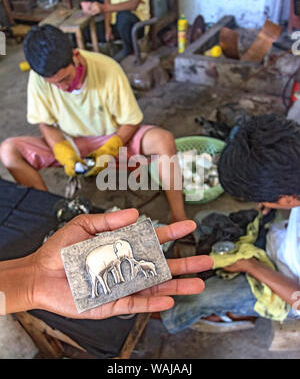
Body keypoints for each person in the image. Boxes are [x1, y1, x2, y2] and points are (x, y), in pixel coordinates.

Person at [0, 24, 187, 224]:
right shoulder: (38, 78)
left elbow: (131, 122)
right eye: (54, 84)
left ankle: (178, 216)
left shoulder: (108, 68)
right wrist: (62, 149)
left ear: (76, 56)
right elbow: (45, 124)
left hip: (115, 141)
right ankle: (52, 216)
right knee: (8, 150)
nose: (62, 88)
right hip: (73, 144)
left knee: (164, 140)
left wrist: (110, 147)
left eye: (65, 79)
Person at [160, 114, 300, 333]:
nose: (260, 202)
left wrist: (251, 265)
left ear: (288, 198)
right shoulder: (293, 174)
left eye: (261, 198)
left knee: (196, 297)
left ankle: (202, 315)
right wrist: (273, 205)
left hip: (287, 286)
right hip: (280, 239)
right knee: (203, 220)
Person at [0, 208, 213, 319]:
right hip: (101, 261)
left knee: (118, 273)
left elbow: (122, 264)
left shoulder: (119, 252)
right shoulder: (109, 254)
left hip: (110, 259)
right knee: (106, 276)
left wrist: (36, 276)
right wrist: (36, 281)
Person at [81, 0, 150, 61]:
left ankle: (128, 49)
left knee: (123, 16)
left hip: (136, 26)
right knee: (84, 32)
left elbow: (133, 4)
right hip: (115, 24)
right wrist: (107, 27)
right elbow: (107, 4)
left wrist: (103, 8)